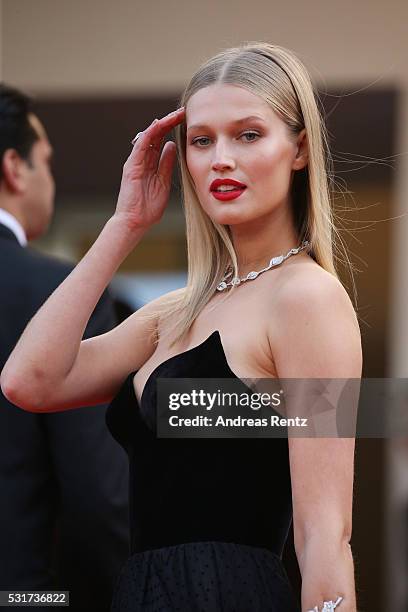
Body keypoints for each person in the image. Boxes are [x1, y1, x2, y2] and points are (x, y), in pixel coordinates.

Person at [1, 42, 362, 612]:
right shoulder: (173, 313)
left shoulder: (307, 299)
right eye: (201, 139)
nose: (220, 158)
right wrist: (124, 226)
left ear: (298, 149)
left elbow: (325, 534)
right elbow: (30, 382)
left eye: (248, 134)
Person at [0, 84, 129, 611]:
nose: (49, 180)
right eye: (46, 163)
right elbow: (97, 497)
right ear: (14, 167)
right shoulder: (58, 297)